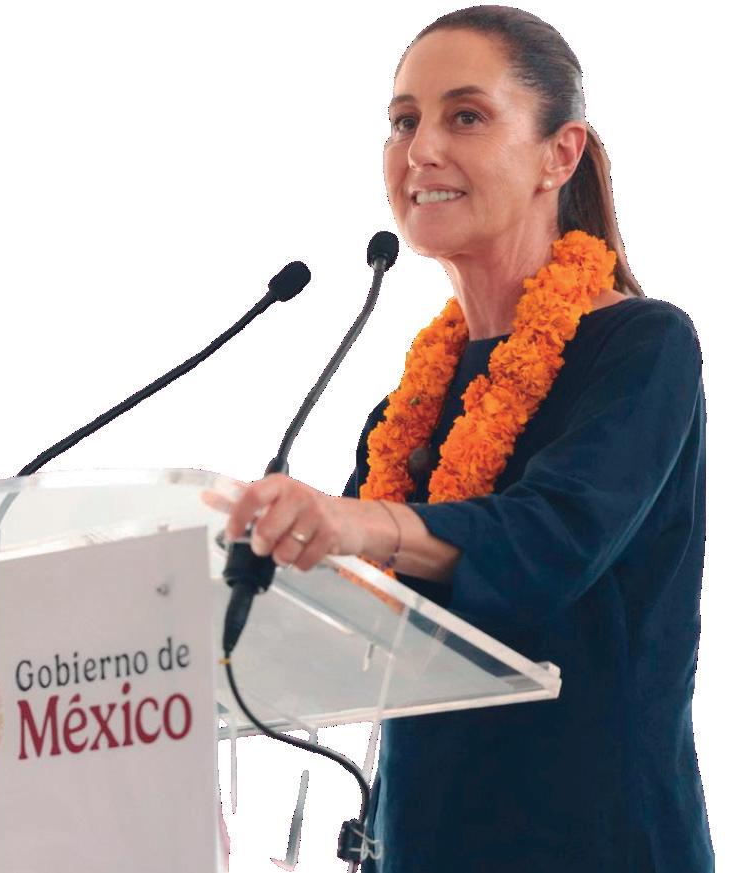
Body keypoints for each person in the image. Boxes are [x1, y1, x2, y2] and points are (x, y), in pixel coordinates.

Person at [214, 6, 713, 871]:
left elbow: (550, 540)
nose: (421, 150)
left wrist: (356, 523)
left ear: (560, 154)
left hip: (595, 845)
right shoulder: (405, 409)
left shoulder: (642, 346)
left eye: (466, 116)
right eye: (403, 120)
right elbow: (353, 625)